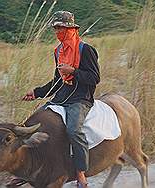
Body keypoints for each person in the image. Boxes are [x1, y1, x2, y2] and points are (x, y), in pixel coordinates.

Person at [22, 11, 100, 188]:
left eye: (61, 28)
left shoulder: (86, 50)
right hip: (61, 97)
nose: (58, 32)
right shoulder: (58, 51)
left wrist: (73, 72)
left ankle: (81, 173)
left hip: (81, 98)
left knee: (73, 130)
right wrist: (36, 92)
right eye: (56, 28)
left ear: (71, 28)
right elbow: (57, 82)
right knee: (37, 124)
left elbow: (94, 78)